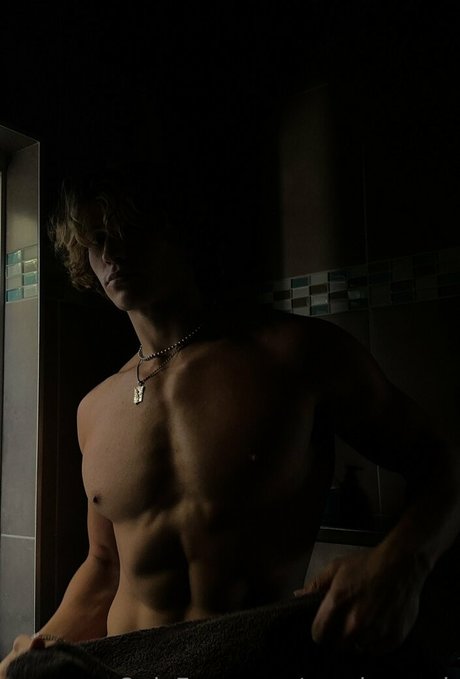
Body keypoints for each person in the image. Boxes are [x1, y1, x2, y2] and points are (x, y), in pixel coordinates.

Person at [1, 164, 459, 676]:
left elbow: (443, 461)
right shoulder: (94, 408)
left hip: (251, 662)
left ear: (174, 229)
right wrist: (37, 649)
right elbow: (104, 568)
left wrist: (403, 562)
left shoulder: (293, 356)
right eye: (96, 239)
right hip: (129, 666)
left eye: (128, 228)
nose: (110, 253)